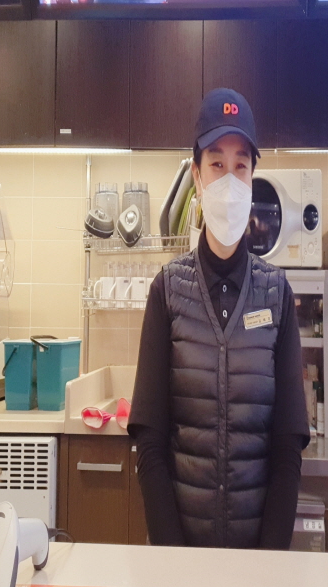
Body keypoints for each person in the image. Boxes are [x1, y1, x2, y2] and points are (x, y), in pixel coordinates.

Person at [128, 88, 310, 549]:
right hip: (180, 553)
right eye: (216, 164)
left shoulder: (277, 293)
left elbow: (288, 445)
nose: (229, 179)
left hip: (258, 554)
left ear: (251, 178)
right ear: (196, 175)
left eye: (240, 166)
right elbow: (150, 442)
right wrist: (176, 561)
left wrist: (267, 561)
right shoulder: (167, 291)